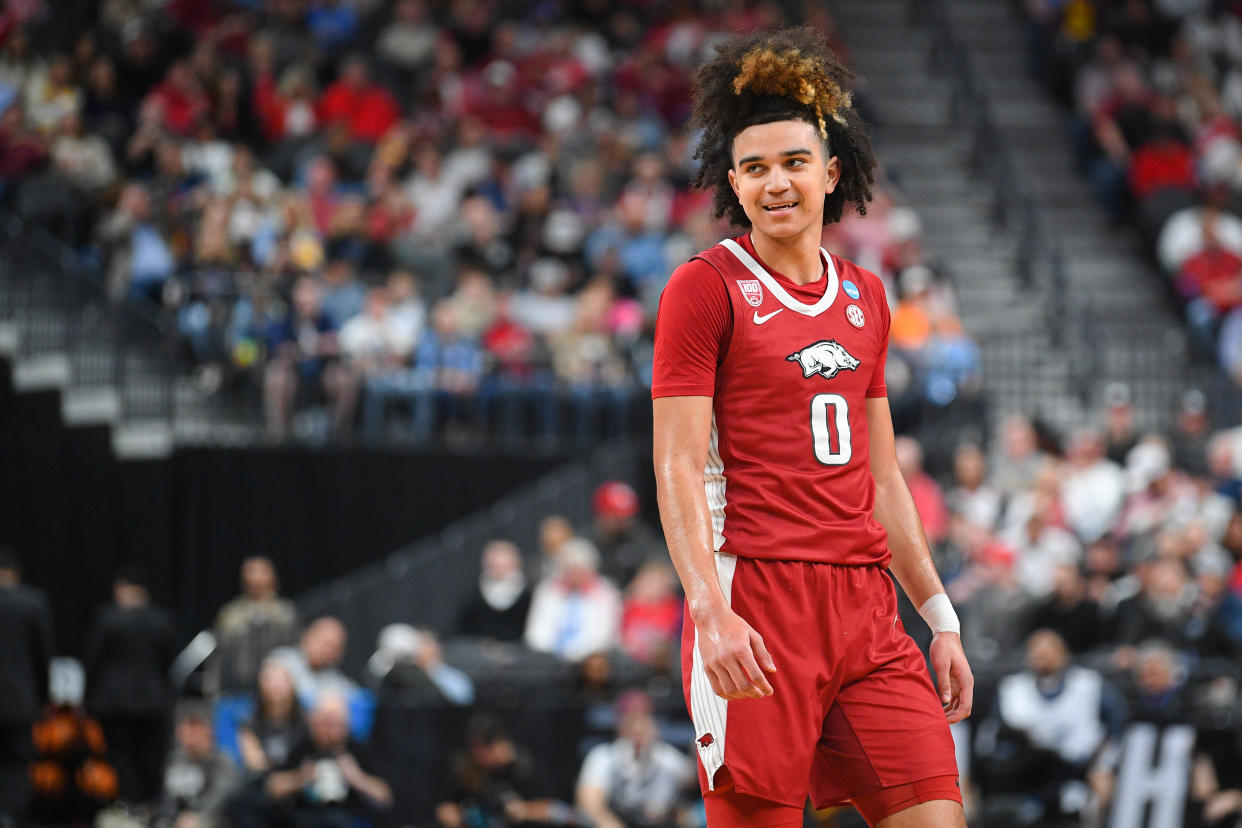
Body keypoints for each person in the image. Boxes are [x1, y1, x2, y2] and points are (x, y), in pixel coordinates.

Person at [651, 29, 972, 828]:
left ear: (831, 173)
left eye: (793, 162)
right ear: (733, 183)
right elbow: (678, 467)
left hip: (866, 610)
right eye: (754, 168)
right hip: (756, 599)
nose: (776, 183)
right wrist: (707, 611)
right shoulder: (704, 289)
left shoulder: (866, 294)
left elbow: (884, 477)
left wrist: (939, 617)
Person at [84, 565, 178, 806]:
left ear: (120, 589)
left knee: (119, 755)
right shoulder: (162, 619)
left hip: (113, 703)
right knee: (149, 758)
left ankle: (125, 803)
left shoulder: (107, 618)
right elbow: (170, 662)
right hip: (153, 701)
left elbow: (92, 661)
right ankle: (146, 805)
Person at [575, 690, 695, 828]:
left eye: (643, 722)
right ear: (620, 726)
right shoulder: (603, 756)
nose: (638, 730)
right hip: (616, 822)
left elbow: (692, 782)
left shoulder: (665, 756)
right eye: (631, 724)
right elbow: (590, 804)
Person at [0, 549, 53, 822]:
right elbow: (42, 656)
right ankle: (11, 817)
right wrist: (43, 696)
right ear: (16, 574)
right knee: (18, 766)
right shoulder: (33, 603)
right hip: (21, 700)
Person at [212, 556, 301, 696]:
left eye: (262, 572)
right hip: (237, 687)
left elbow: (294, 651)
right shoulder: (230, 614)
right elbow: (219, 655)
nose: (256, 578)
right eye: (251, 572)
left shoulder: (286, 613)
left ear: (273, 577)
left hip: (276, 689)